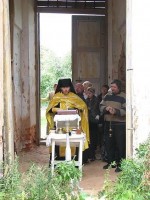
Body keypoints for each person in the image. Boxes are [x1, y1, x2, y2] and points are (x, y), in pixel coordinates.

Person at [46, 78, 90, 160]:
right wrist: (57, 109)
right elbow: (50, 109)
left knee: (73, 142)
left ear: (70, 87)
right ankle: (58, 161)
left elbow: (83, 107)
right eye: (63, 87)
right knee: (59, 143)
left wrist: (77, 110)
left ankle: (74, 162)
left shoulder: (74, 97)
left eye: (67, 87)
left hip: (73, 126)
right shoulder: (56, 97)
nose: (65, 89)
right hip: (59, 126)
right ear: (60, 88)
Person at [100, 79, 126, 172]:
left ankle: (121, 164)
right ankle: (111, 162)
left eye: (114, 87)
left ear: (119, 87)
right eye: (111, 87)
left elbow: (126, 110)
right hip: (108, 123)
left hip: (120, 124)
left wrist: (115, 111)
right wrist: (106, 108)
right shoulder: (107, 96)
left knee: (120, 145)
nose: (112, 89)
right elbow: (101, 106)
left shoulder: (124, 97)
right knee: (109, 144)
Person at [86, 86, 100, 161]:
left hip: (94, 121)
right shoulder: (86, 100)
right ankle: (89, 155)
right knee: (89, 138)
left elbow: (95, 109)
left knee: (93, 138)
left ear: (93, 93)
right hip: (88, 121)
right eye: (87, 93)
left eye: (90, 93)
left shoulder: (96, 100)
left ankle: (93, 155)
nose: (88, 94)